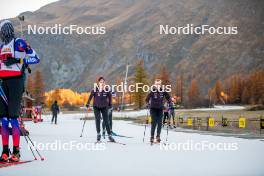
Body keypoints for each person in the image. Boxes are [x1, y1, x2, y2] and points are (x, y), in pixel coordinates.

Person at [0, 20, 39, 162]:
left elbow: (35, 58)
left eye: (3, 30)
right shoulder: (1, 46)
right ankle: (5, 151)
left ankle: (16, 151)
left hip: (16, 82)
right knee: (3, 119)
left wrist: (17, 59)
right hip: (2, 84)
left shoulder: (19, 43)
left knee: (13, 117)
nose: (2, 33)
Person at [86, 76, 115, 142]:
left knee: (106, 121)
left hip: (105, 107)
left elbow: (110, 96)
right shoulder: (95, 89)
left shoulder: (107, 89)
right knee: (98, 119)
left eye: (103, 82)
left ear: (104, 83)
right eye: (100, 82)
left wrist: (110, 104)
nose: (102, 83)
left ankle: (110, 135)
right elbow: (91, 96)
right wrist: (88, 103)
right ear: (98, 82)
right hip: (96, 107)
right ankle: (98, 134)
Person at [146, 79, 171, 144]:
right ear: (155, 84)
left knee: (160, 123)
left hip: (160, 109)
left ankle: (158, 137)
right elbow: (147, 99)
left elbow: (168, 97)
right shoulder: (152, 91)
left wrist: (169, 102)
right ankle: (152, 137)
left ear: (160, 85)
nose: (158, 85)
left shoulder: (163, 91)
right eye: (157, 84)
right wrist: (148, 103)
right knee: (154, 122)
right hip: (153, 108)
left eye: (159, 84)